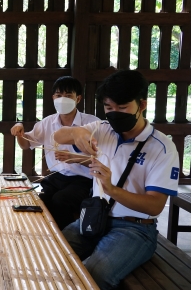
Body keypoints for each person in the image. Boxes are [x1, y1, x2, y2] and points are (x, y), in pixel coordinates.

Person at [54, 70, 179, 290]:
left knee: (95, 274)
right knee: (51, 254)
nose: (114, 113)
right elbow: (58, 136)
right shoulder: (103, 129)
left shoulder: (162, 148)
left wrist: (111, 189)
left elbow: (156, 205)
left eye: (122, 108)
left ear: (142, 105)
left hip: (135, 228)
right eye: (109, 107)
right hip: (95, 215)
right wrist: (77, 133)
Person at [10, 76, 99, 230]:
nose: (62, 99)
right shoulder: (47, 122)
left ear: (78, 98)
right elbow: (26, 144)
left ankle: (63, 238)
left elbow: (103, 158)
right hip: (56, 178)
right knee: (38, 199)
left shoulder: (92, 124)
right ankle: (41, 233)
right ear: (53, 98)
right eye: (59, 95)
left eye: (68, 96)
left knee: (60, 200)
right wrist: (19, 131)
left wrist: (75, 158)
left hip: (84, 180)